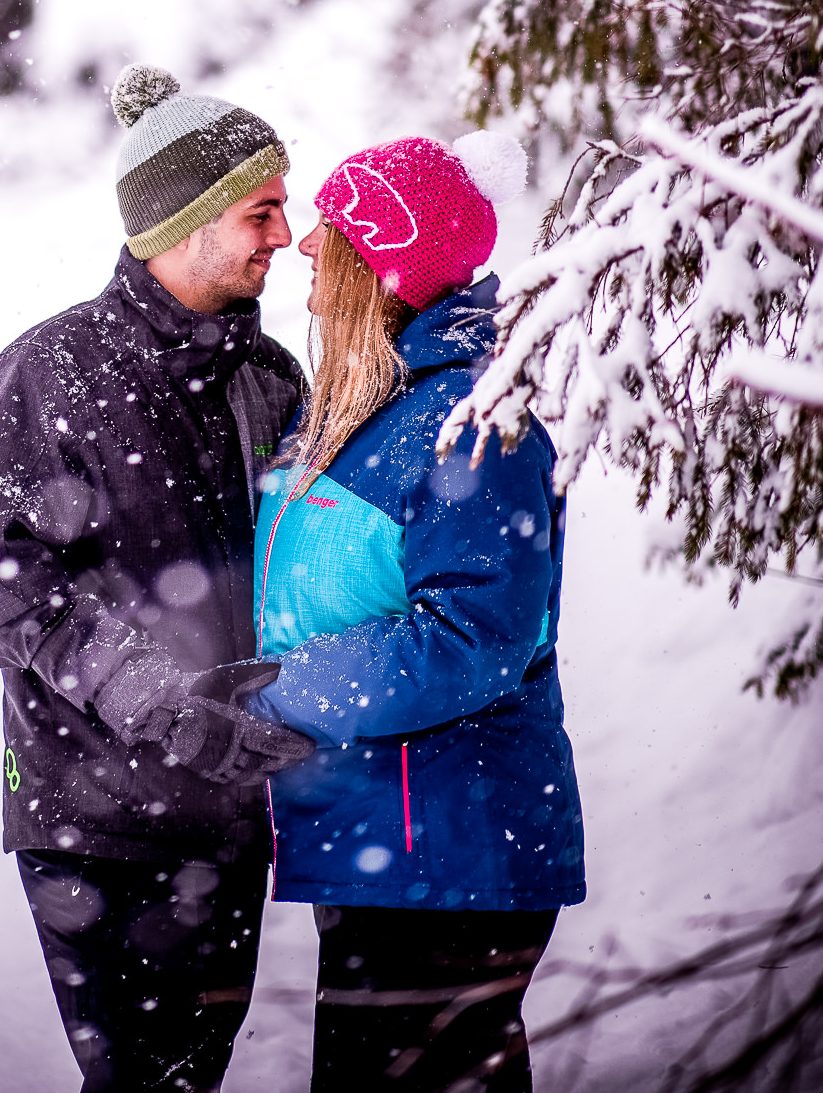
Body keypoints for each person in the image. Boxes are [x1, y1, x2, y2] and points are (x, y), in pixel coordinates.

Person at [0, 64, 315, 1093]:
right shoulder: (49, 371)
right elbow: (0, 585)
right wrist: (155, 701)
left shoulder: (267, 377)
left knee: (189, 1082)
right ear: (186, 219)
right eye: (261, 210)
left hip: (229, 821)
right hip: (91, 815)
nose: (282, 235)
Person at [247, 131, 586, 1091]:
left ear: (383, 267)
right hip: (379, 837)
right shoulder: (367, 404)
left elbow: (472, 636)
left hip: (449, 848)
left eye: (330, 229)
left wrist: (277, 691)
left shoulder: (470, 419)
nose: (306, 246)